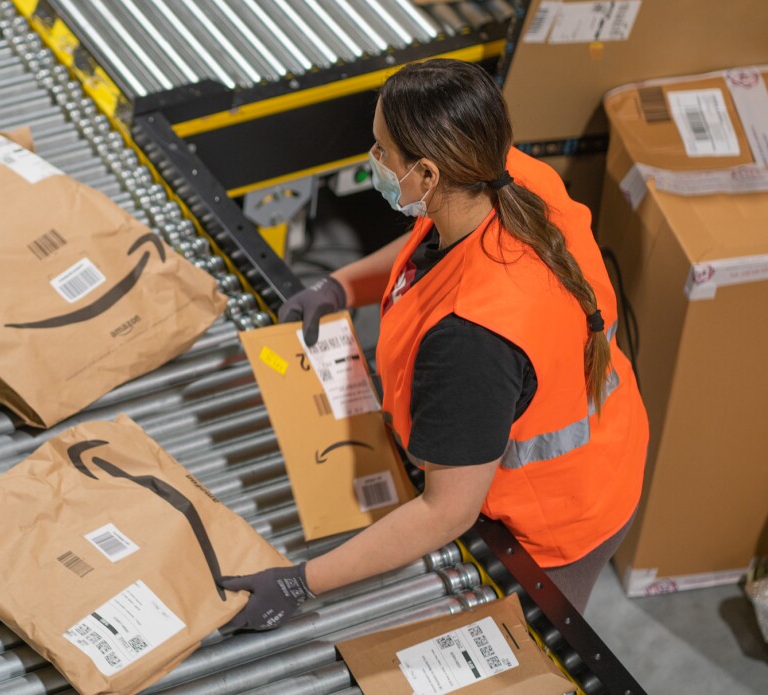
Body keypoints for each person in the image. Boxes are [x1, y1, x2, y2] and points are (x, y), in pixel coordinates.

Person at [221, 59, 648, 630]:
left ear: (426, 175)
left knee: (510, 662)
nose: (371, 160)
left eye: (380, 150)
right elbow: (427, 251)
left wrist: (301, 581)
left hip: (557, 525)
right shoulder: (502, 178)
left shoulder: (474, 339)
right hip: (607, 440)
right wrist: (340, 286)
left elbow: (446, 512)